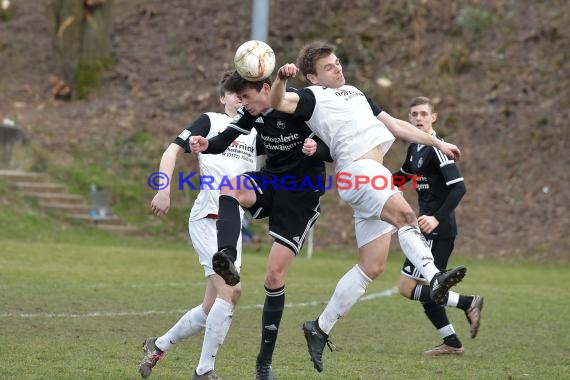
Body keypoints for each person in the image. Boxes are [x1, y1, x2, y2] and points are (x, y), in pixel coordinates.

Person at [269, 41, 468, 373]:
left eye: (337, 62)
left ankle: (320, 327)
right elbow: (278, 102)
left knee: (372, 266)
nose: (337, 68)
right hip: (360, 171)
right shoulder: (312, 97)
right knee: (406, 215)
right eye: (329, 67)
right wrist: (281, 78)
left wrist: (438, 141)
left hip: (364, 176)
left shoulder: (357, 93)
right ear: (313, 77)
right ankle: (434, 278)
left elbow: (396, 125)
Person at [190, 70, 333, 380]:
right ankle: (226, 257)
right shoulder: (250, 114)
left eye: (247, 97)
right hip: (271, 180)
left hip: (301, 192)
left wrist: (316, 150)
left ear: (266, 89)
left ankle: (264, 363)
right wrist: (205, 143)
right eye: (239, 99)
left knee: (273, 275)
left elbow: (333, 148)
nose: (243, 104)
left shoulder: (301, 107)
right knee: (229, 187)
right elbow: (223, 140)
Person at [139, 70, 261, 380]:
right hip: (208, 218)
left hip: (231, 227)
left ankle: (158, 345)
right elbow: (172, 150)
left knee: (211, 307)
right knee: (232, 291)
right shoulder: (210, 122)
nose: (240, 98)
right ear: (223, 98)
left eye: (245, 93)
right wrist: (163, 188)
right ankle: (204, 372)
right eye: (234, 93)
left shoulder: (255, 130)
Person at [393, 96, 483, 356]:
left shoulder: (437, 148)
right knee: (429, 290)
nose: (418, 118)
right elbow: (402, 176)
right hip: (426, 230)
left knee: (408, 287)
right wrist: (372, 184)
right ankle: (452, 343)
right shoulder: (416, 147)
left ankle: (468, 302)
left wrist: (436, 218)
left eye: (423, 114)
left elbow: (459, 188)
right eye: (414, 114)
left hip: (437, 230)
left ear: (434, 117)